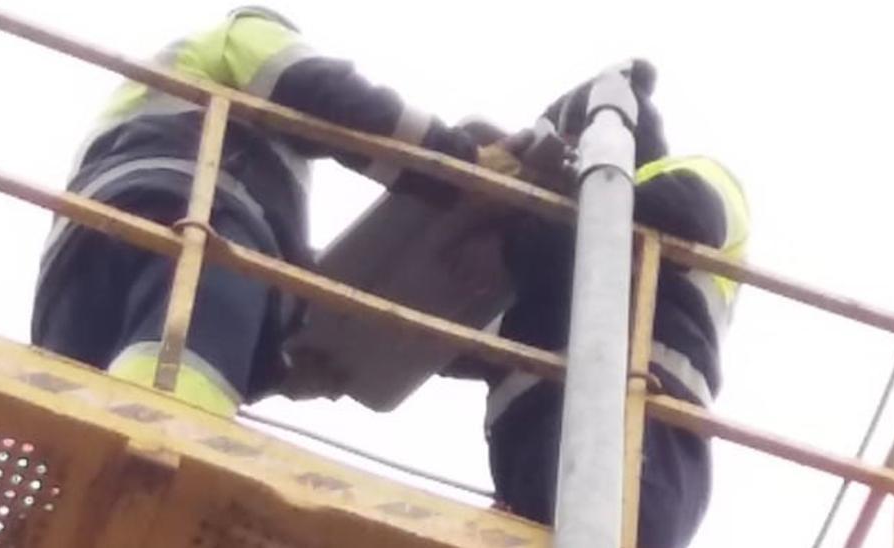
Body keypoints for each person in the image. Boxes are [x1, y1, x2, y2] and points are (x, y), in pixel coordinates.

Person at [31, 6, 527, 416]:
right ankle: (165, 458)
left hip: (78, 268)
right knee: (181, 380)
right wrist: (459, 161)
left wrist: (277, 370)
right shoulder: (242, 34)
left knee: (79, 407)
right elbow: (317, 89)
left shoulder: (214, 129)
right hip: (191, 221)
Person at [448, 61, 751, 547]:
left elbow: (684, 214)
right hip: (530, 447)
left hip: (641, 427)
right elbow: (453, 340)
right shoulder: (539, 254)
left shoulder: (688, 178)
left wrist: (523, 214)